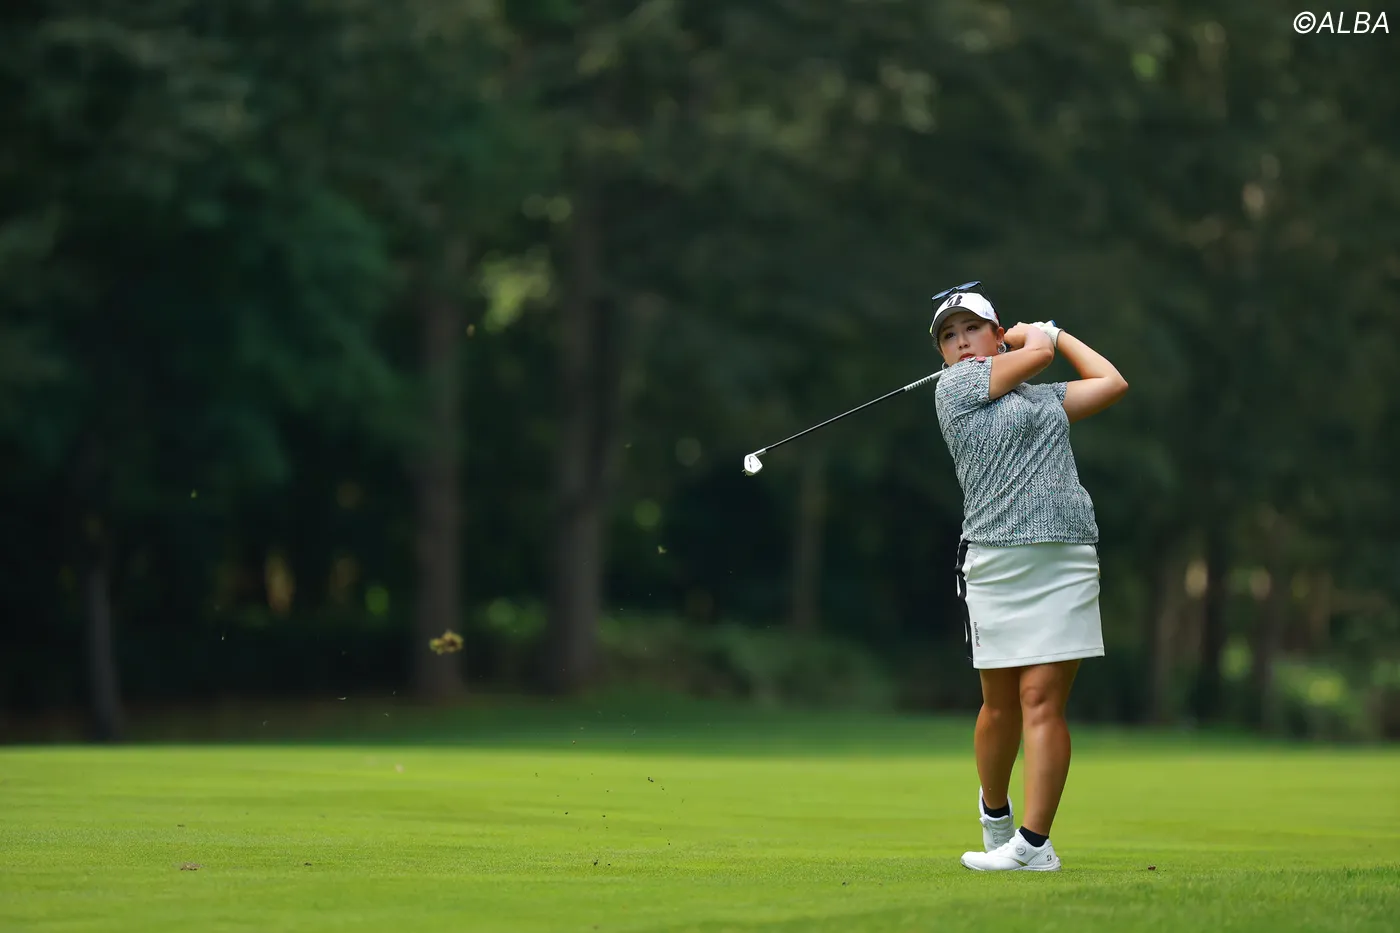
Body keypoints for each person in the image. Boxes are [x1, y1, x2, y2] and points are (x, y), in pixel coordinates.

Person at [928, 282, 1129, 872]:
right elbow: (1037, 354)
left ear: (997, 334)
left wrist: (1057, 334)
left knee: (1041, 699)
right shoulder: (954, 388)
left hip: (1066, 558)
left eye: (972, 329)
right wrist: (1039, 338)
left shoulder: (1043, 400)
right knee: (999, 708)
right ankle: (995, 812)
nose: (961, 342)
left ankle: (1034, 846)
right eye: (948, 336)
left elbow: (1112, 382)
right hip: (995, 563)